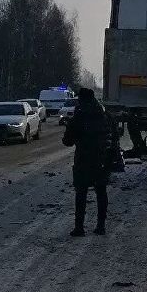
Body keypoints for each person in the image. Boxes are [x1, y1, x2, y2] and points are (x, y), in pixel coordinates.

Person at [62, 87, 115, 236]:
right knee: (101, 192)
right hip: (102, 159)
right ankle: (101, 226)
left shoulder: (79, 116)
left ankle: (79, 227)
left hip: (83, 159)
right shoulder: (105, 115)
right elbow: (113, 136)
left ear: (81, 99)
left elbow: (67, 141)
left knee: (81, 193)